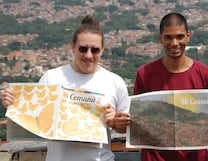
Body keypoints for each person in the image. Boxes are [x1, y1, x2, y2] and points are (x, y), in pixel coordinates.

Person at [1, 15, 130, 161]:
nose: (88, 55)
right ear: (73, 47)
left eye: (95, 50)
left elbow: (124, 129)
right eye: (83, 49)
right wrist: (12, 106)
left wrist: (114, 122)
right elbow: (32, 121)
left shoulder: (115, 82)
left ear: (102, 50)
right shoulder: (51, 78)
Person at [114, 12, 208, 161]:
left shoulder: (205, 74)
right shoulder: (145, 73)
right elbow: (136, 120)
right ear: (160, 38)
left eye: (179, 36)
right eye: (168, 37)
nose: (174, 43)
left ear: (188, 36)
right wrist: (121, 123)